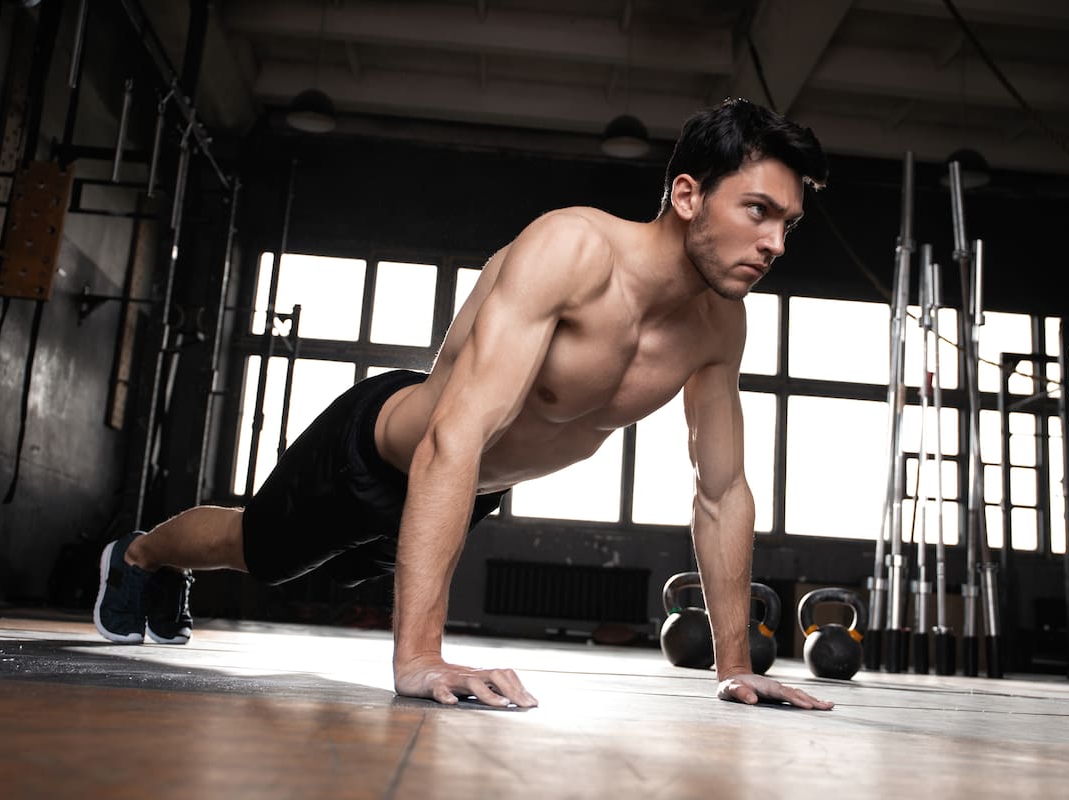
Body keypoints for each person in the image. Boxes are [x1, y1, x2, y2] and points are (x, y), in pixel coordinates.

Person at [95, 98, 834, 711]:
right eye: (758, 211)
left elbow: (722, 490)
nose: (773, 243)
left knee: (317, 571)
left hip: (469, 494)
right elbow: (457, 435)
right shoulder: (572, 250)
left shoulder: (717, 325)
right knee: (257, 551)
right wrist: (419, 659)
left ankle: (162, 561)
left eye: (788, 226)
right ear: (687, 195)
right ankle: (139, 556)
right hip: (380, 453)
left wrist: (734, 666)